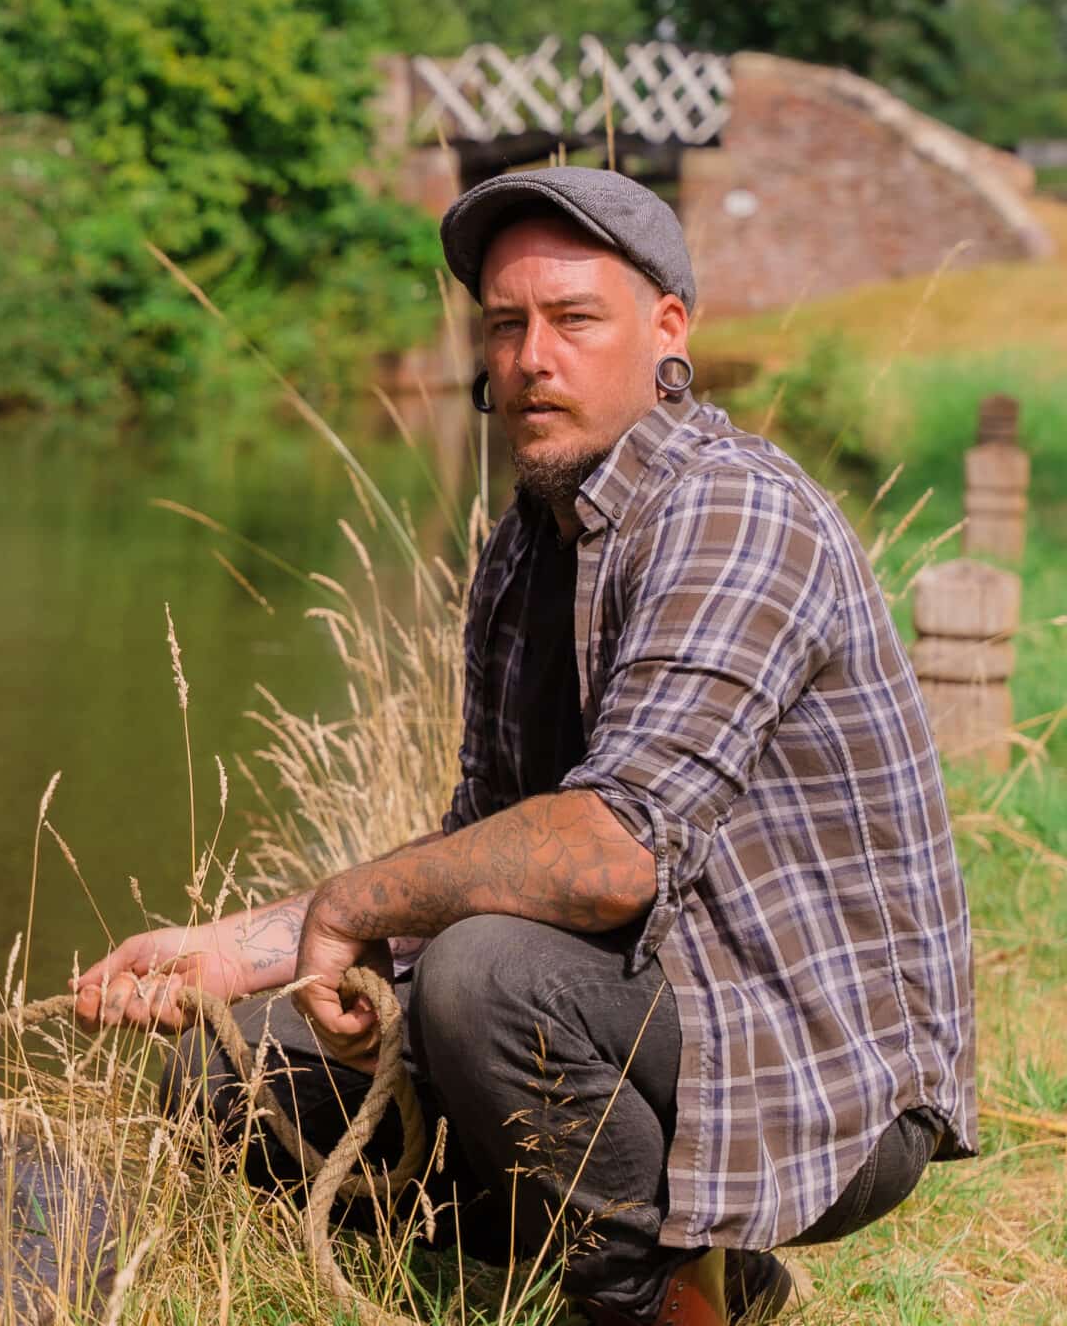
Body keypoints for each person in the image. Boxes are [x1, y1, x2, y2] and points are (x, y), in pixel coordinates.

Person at [73, 167, 976, 1326]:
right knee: (226, 1077)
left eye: (573, 318)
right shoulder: (523, 549)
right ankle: (707, 1278)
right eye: (506, 324)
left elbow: (609, 855)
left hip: (808, 1068)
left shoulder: (732, 509)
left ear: (667, 334)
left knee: (482, 975)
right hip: (631, 1012)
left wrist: (349, 906)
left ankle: (641, 1304)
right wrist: (237, 951)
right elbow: (477, 847)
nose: (531, 355)